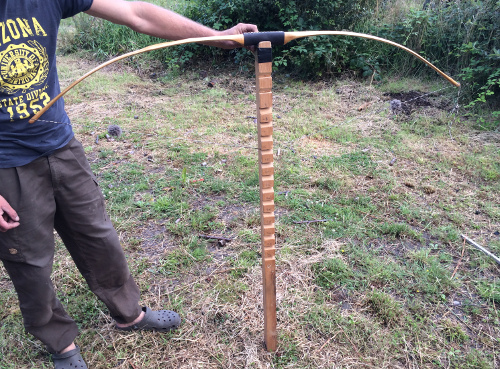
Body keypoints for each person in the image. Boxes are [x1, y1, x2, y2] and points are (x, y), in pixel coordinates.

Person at [0, 1, 257, 368]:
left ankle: (129, 314)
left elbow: (137, 12)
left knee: (97, 236)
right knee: (29, 260)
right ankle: (60, 344)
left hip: (60, 145)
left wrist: (214, 37)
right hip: (4, 164)